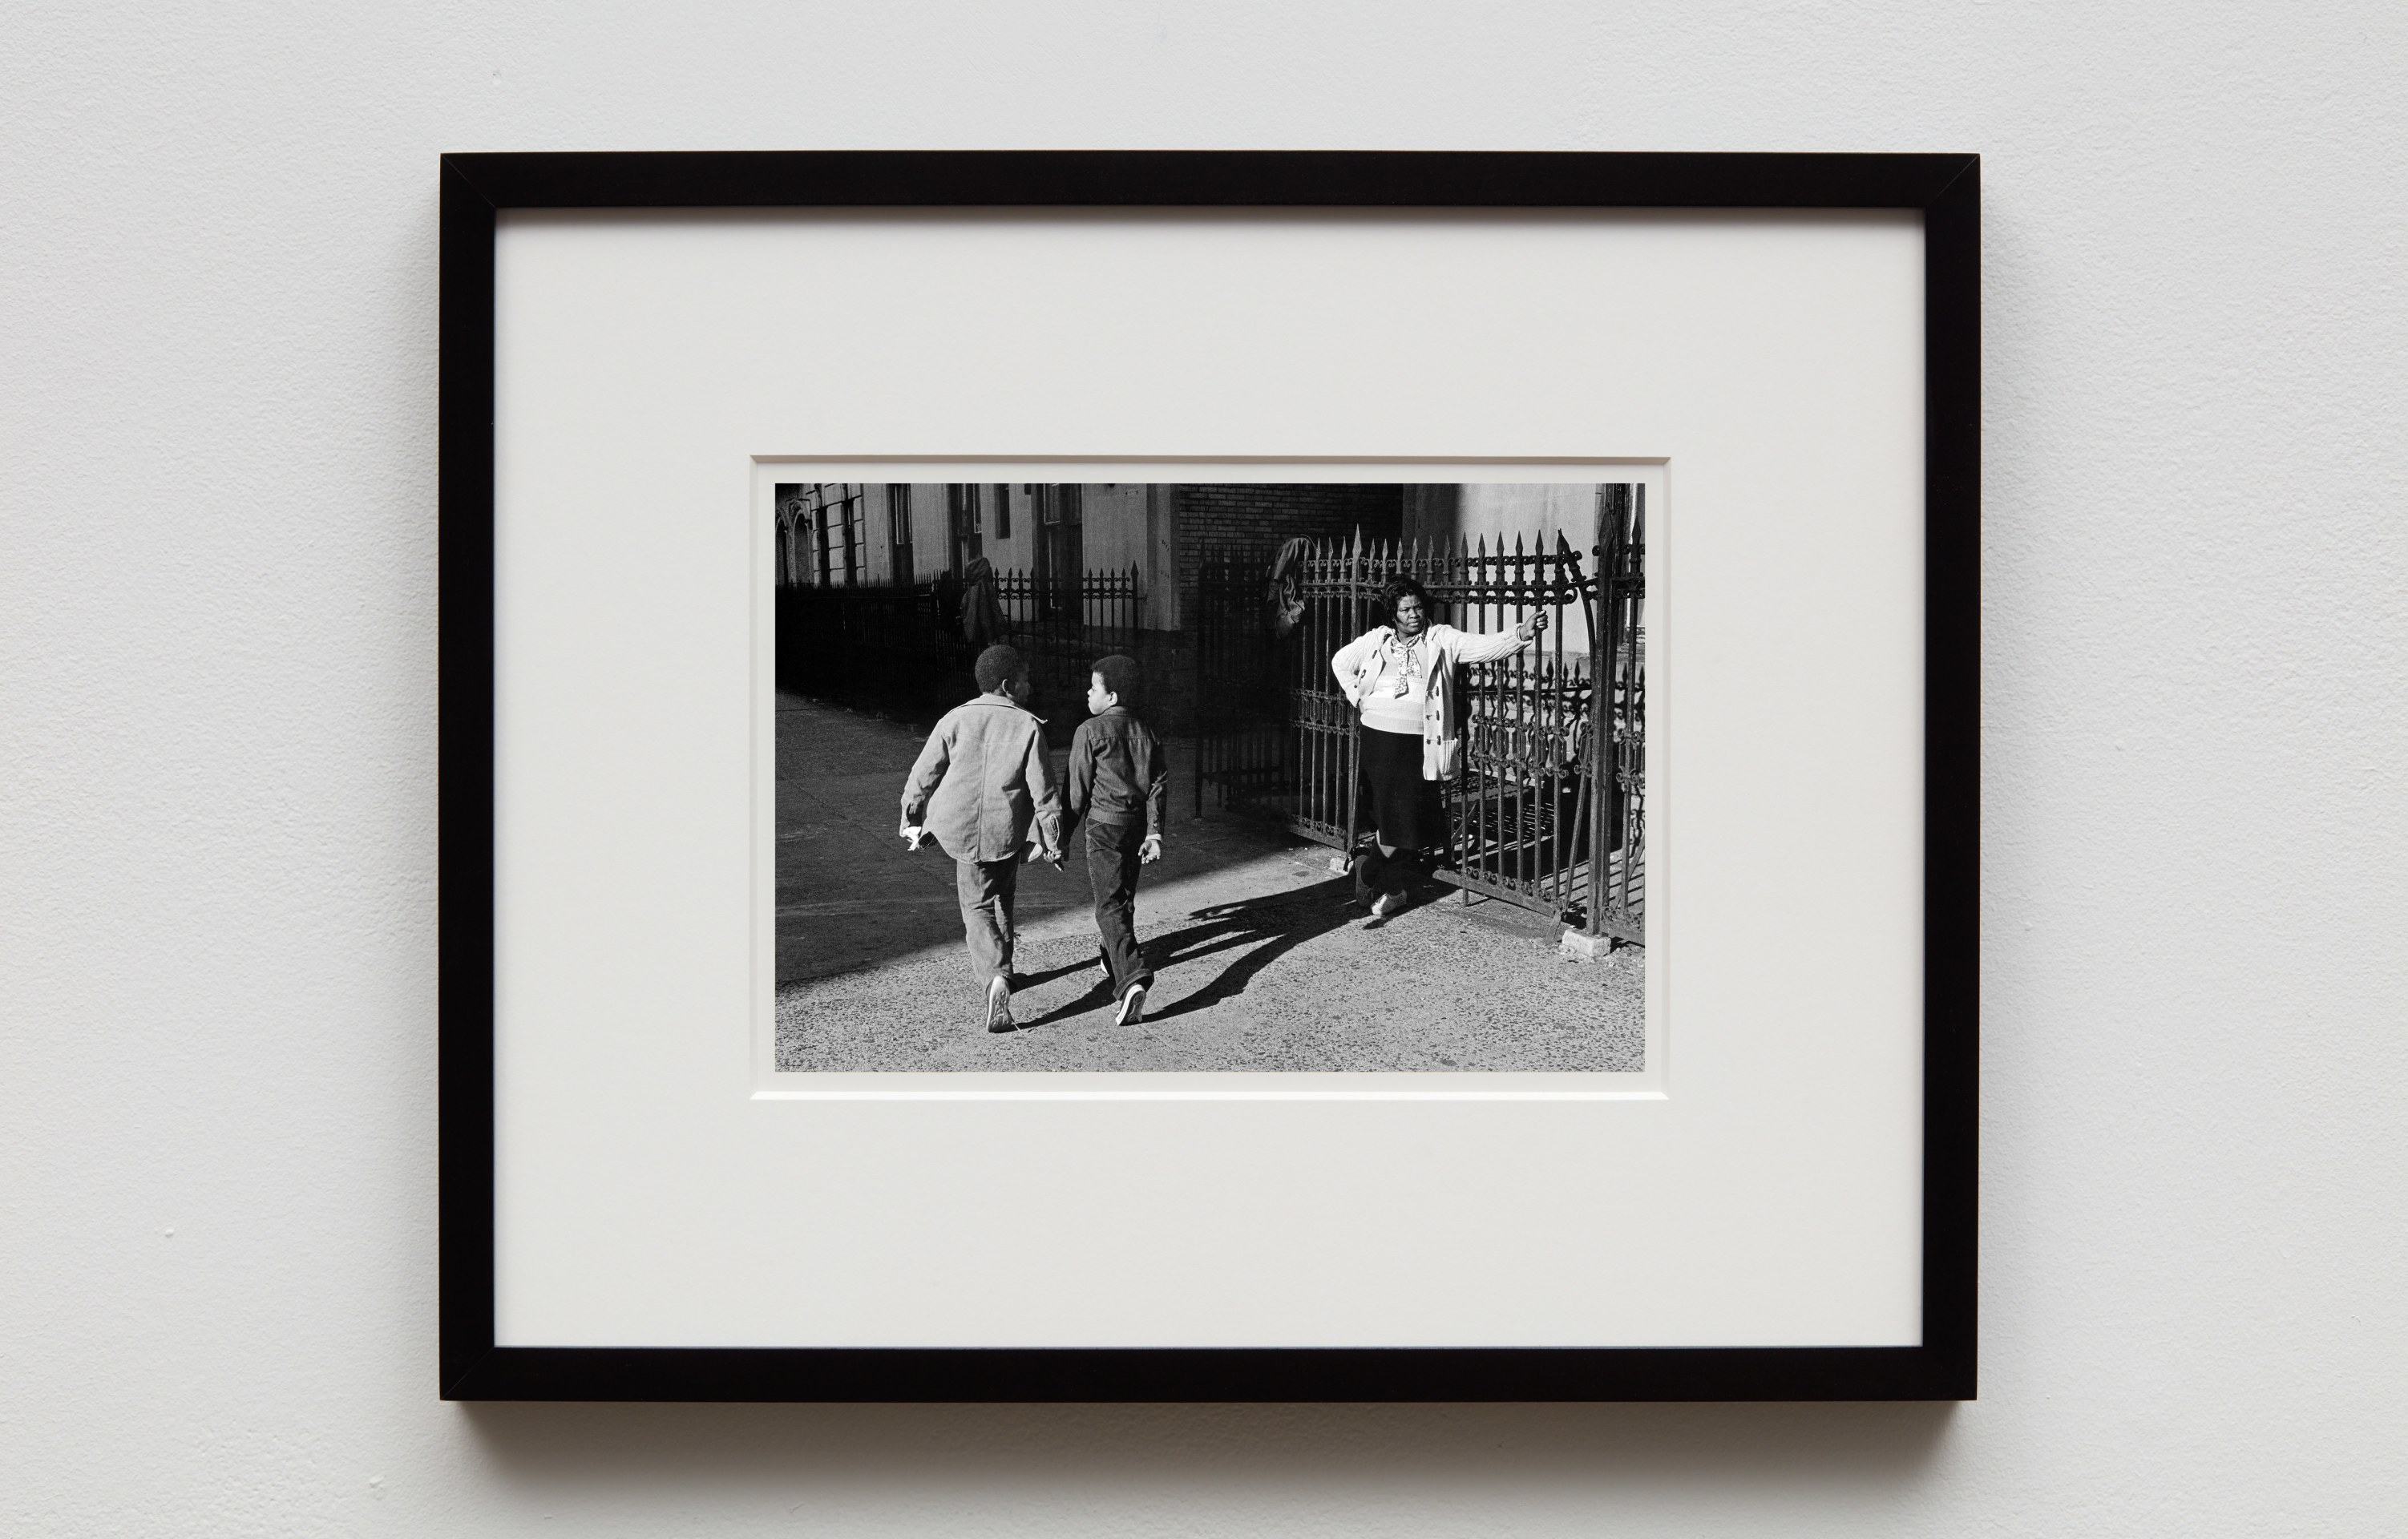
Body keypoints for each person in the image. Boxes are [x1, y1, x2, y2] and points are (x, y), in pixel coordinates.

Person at [1330, 576, 1545, 918]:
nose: (1414, 614)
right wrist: (1359, 697)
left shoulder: (1441, 638)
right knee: (1388, 817)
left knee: (1405, 819)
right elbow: (1340, 662)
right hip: (1377, 738)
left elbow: (1482, 646)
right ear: (1393, 614)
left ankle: (1368, 871)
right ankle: (1394, 890)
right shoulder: (1376, 640)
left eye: (1418, 607)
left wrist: (1519, 634)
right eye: (1405, 609)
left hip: (1418, 742)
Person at [899, 644, 1065, 1031]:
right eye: (1024, 680)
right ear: (1008, 685)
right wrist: (1054, 841)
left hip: (962, 829)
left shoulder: (954, 719)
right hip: (1007, 830)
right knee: (1002, 898)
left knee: (976, 906)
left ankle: (995, 977)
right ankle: (1003, 971)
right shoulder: (1027, 725)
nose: (1029, 686)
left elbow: (923, 774)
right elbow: (1044, 792)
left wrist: (911, 816)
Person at [1061, 654, 1168, 1026]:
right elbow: (1158, 784)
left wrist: (1061, 838)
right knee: (1123, 897)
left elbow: (1076, 792)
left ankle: (1132, 977)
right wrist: (1154, 832)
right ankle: (1113, 956)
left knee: (1108, 904)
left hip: (1104, 827)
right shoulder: (1147, 731)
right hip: (1136, 827)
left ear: (1112, 697)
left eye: (1094, 687)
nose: (1088, 693)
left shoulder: (1089, 731)